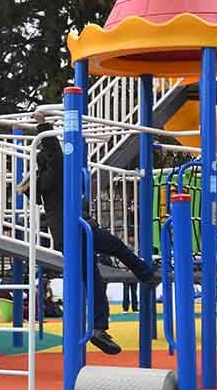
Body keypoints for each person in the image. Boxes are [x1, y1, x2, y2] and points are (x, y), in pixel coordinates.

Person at [17, 108, 155, 355]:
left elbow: (52, 161)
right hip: (79, 230)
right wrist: (43, 126)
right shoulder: (57, 173)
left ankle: (100, 329)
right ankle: (146, 275)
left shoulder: (43, 183)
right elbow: (55, 153)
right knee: (117, 247)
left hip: (65, 236)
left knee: (95, 281)